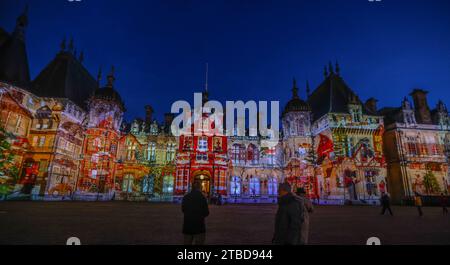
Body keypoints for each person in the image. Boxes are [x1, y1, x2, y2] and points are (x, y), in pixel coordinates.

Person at [182, 181, 210, 245]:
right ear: (200, 188)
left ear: (191, 187)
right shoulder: (203, 198)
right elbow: (206, 212)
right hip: (199, 226)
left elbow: (183, 210)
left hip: (187, 226)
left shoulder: (186, 197)